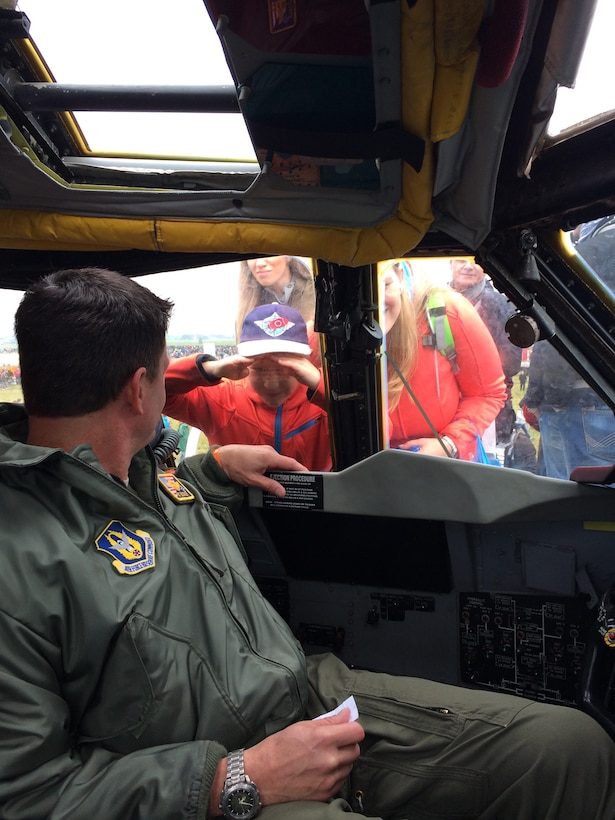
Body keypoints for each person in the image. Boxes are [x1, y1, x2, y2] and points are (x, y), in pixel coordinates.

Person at [3, 267, 615, 820]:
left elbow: (129, 510)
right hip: (213, 779)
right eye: (165, 374)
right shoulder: (17, 559)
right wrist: (229, 780)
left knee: (570, 750)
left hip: (308, 694)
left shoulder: (149, 473)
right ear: (140, 389)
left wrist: (211, 469)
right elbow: (25, 797)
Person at [165, 303, 331, 471]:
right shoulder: (223, 397)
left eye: (285, 370)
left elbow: (356, 416)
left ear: (306, 360)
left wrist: (321, 384)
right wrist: (210, 368)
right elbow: (152, 390)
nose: (270, 384)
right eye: (258, 370)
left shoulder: (325, 397)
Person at [383, 261, 507, 461]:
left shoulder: (446, 311)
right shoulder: (334, 325)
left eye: (385, 285)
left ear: (399, 274)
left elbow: (488, 393)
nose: (374, 300)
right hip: (366, 470)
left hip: (438, 468)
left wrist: (449, 443)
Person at [449, 257, 522, 446]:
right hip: (443, 410)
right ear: (450, 264)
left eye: (474, 261)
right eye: (459, 260)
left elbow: (512, 361)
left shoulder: (501, 305)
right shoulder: (431, 304)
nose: (467, 266)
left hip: (491, 414)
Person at [521, 339, 615, 479]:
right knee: (594, 490)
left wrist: (534, 397)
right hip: (585, 395)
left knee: (566, 488)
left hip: (574, 396)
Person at [235, 256, 316, 340]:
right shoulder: (246, 308)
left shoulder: (316, 296)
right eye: (252, 255)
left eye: (267, 254)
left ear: (288, 256)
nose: (259, 263)